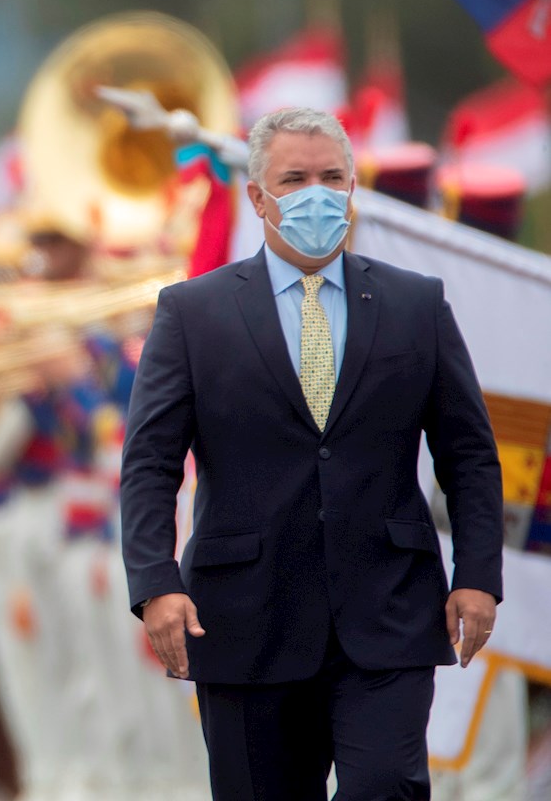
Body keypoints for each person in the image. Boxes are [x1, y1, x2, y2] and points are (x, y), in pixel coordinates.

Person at [120, 106, 504, 800]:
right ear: (257, 196)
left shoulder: (415, 304)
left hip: (388, 613)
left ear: (353, 187)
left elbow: (469, 454)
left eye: (331, 177)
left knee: (385, 786)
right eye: (293, 180)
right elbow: (150, 463)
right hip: (244, 620)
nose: (316, 195)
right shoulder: (192, 313)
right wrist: (154, 582)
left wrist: (478, 573)